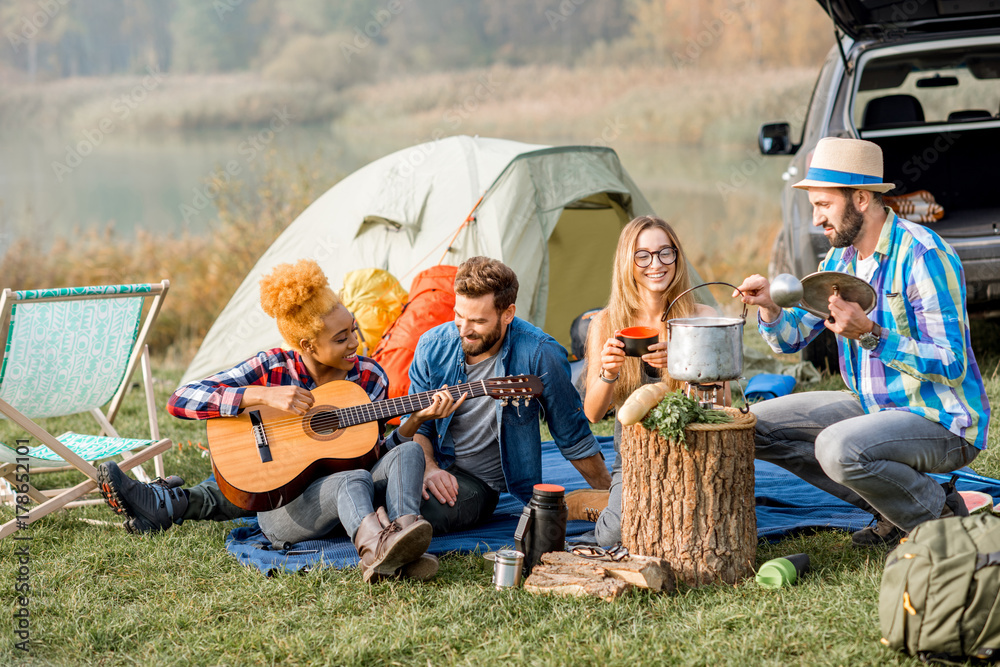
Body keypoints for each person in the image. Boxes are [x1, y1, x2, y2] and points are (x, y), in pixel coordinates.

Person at [99, 259, 455, 582]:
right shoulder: (273, 367)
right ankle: (379, 552)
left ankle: (405, 545)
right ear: (309, 345)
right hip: (286, 508)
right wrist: (259, 395)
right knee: (350, 478)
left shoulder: (370, 377)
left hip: (352, 491)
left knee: (407, 454)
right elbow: (180, 399)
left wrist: (413, 422)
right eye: (341, 337)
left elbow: (375, 454)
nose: (355, 344)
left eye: (355, 330)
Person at [734, 137, 991, 547]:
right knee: (750, 427)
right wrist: (769, 308)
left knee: (838, 446)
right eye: (814, 206)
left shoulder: (924, 254)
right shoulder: (839, 260)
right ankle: (891, 511)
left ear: (860, 199)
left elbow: (952, 363)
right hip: (872, 407)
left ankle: (938, 517)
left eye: (824, 205)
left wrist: (871, 335)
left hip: (940, 419)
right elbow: (792, 338)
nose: (816, 219)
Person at [400, 256, 613, 534]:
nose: (463, 331)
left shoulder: (540, 354)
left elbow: (572, 435)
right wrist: (427, 468)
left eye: (477, 321)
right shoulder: (432, 346)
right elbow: (417, 426)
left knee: (420, 514)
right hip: (429, 462)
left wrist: (616, 499)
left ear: (508, 314)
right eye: (458, 316)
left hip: (478, 482)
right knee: (368, 489)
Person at [578, 215, 726, 547]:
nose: (655, 264)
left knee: (694, 535)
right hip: (632, 455)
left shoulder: (702, 318)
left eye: (665, 253)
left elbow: (722, 405)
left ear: (677, 256)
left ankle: (610, 502)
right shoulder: (607, 322)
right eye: (642, 255)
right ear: (627, 262)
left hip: (694, 449)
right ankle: (604, 504)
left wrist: (681, 364)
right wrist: (609, 372)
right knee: (614, 537)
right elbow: (592, 412)